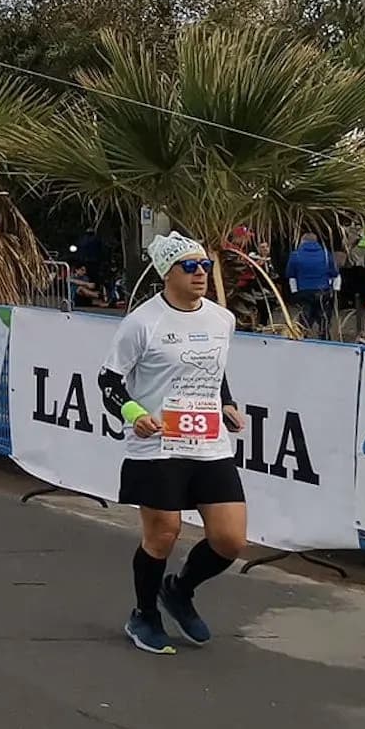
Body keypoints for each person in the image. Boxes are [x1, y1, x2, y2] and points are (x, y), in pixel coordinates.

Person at [103, 232, 248, 655]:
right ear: (168, 272)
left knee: (231, 540)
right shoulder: (142, 322)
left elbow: (213, 371)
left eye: (205, 266)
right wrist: (134, 415)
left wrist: (227, 404)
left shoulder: (222, 320)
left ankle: (180, 591)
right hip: (158, 445)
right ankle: (144, 615)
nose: (201, 273)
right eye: (190, 266)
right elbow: (109, 381)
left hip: (208, 443)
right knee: (164, 533)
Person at [283, 230, 335, 330]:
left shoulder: (295, 255)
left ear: (302, 241)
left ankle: (304, 335)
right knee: (323, 317)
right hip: (322, 289)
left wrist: (294, 292)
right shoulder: (325, 254)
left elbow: (290, 275)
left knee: (305, 317)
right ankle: (324, 335)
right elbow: (334, 273)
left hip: (304, 290)